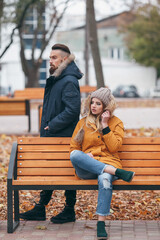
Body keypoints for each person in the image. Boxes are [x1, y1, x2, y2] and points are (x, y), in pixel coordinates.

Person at [19, 43, 83, 223]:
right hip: (53, 136)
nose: (50, 60)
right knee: (51, 170)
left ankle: (69, 209)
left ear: (64, 59)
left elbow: (72, 110)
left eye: (54, 58)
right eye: (50, 57)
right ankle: (41, 208)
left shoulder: (69, 80)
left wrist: (51, 125)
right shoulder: (58, 78)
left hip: (62, 136)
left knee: (67, 172)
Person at [70, 87, 135, 239]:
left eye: (98, 104)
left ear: (106, 107)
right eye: (92, 102)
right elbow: (74, 148)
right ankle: (118, 173)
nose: (93, 106)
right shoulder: (83, 123)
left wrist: (105, 125)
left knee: (105, 179)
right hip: (86, 168)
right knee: (74, 155)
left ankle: (100, 224)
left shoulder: (116, 123)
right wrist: (87, 156)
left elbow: (114, 147)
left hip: (109, 162)